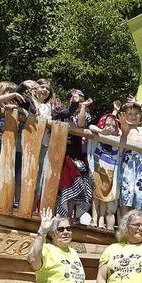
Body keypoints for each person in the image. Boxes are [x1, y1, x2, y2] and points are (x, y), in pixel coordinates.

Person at [53, 89, 93, 221]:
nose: (78, 102)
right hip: (58, 152)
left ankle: (68, 219)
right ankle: (55, 218)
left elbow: (81, 124)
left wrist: (82, 108)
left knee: (73, 186)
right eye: (75, 99)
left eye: (82, 101)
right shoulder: (61, 111)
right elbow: (63, 115)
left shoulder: (85, 115)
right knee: (56, 186)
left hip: (75, 154)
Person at [117, 98, 142, 217]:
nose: (133, 116)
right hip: (129, 163)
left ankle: (137, 223)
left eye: (136, 113)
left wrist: (138, 102)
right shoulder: (124, 128)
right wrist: (124, 129)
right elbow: (122, 145)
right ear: (125, 115)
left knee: (140, 194)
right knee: (127, 192)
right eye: (130, 114)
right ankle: (124, 225)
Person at [88, 113, 121, 229]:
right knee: (96, 195)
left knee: (104, 196)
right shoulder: (99, 134)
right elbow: (91, 126)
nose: (110, 127)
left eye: (113, 125)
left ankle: (101, 219)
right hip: (97, 167)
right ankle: (94, 218)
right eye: (107, 124)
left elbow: (123, 135)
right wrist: (102, 131)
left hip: (110, 170)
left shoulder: (117, 138)